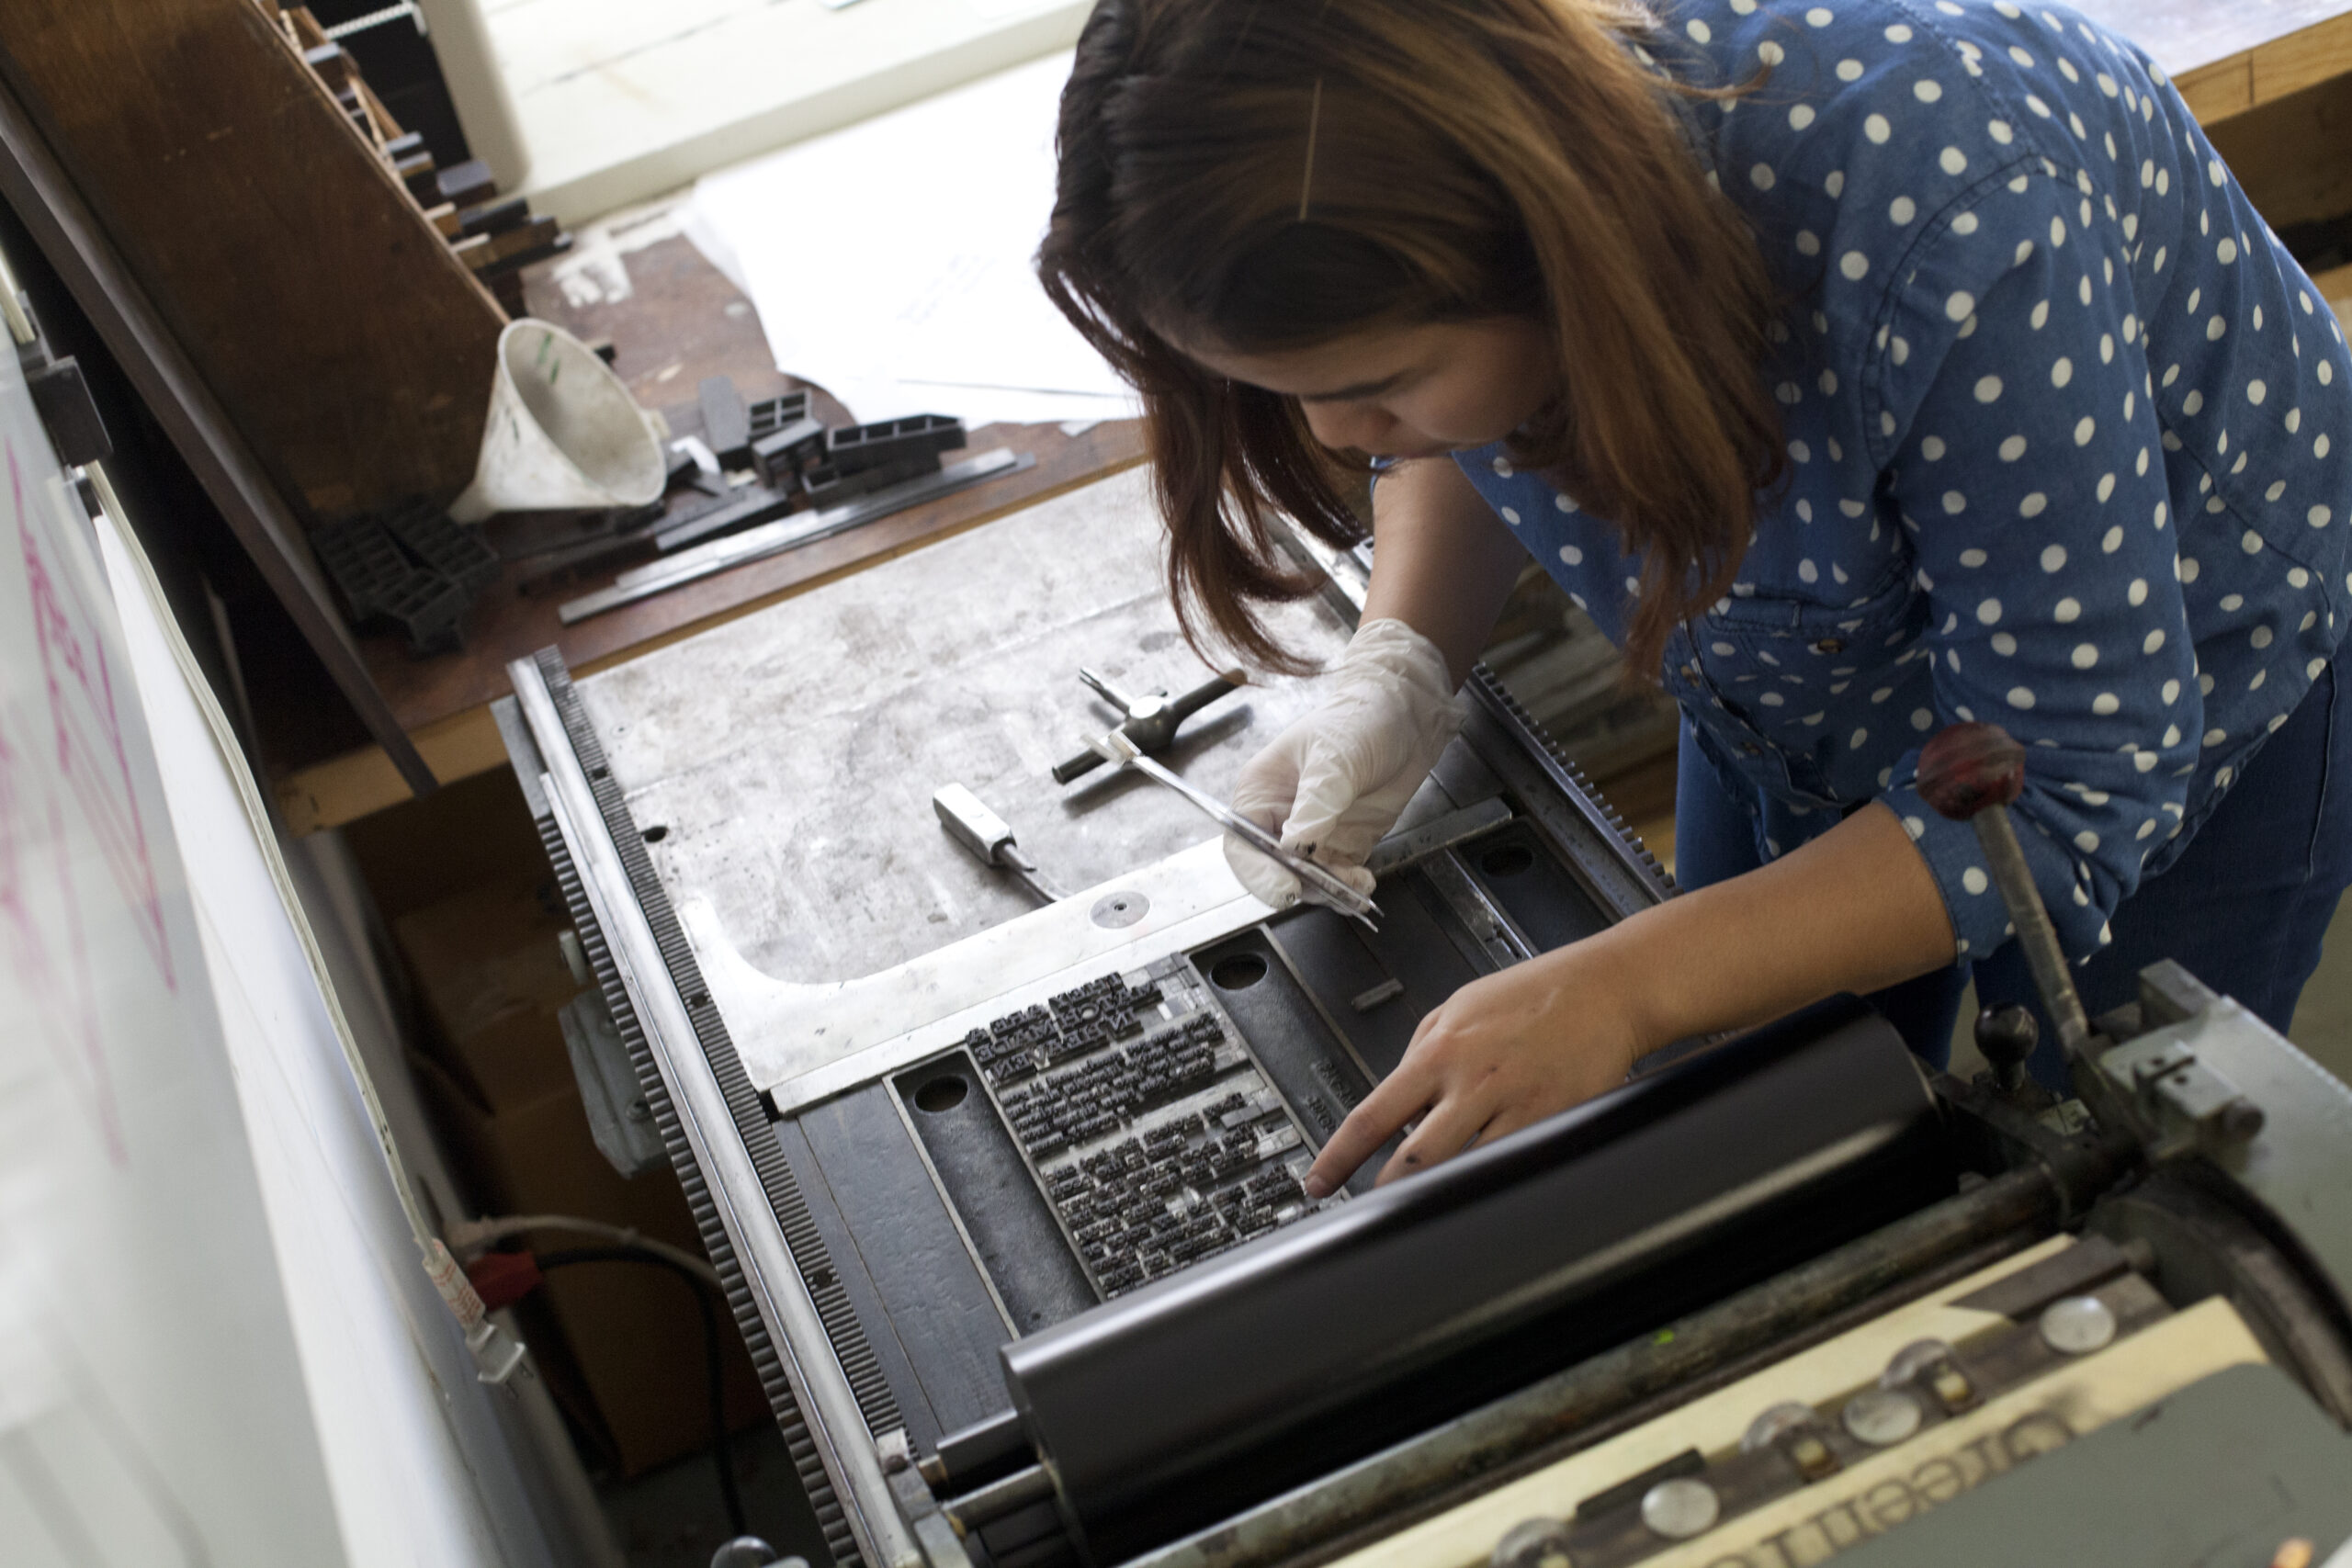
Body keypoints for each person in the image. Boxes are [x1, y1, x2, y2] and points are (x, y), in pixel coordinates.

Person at [1036, 0, 2352, 1196]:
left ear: (1556, 250)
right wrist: (1401, 660)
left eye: (1380, 379)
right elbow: (1448, 421)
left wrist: (1632, 985)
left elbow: (2076, 788)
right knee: (1765, 1153)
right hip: (1805, 651)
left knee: (2110, 1185)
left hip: (2184, 681)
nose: (1335, 437)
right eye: (1288, 390)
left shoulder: (1953, 209)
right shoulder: (1473, 231)